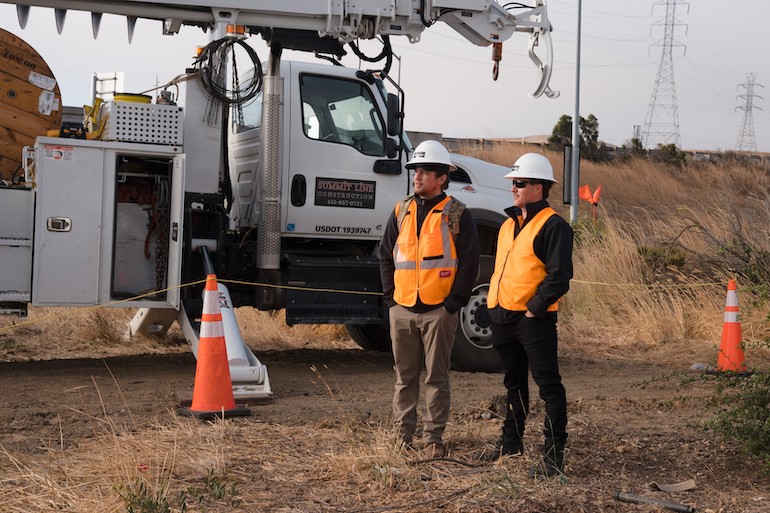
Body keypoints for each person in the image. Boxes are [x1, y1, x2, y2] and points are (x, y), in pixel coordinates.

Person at [379, 140, 479, 459]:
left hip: (439, 311)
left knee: (437, 377)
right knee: (404, 378)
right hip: (402, 309)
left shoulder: (456, 213)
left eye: (424, 171)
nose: (417, 176)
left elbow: (470, 263)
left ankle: (433, 439)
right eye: (415, 171)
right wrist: (391, 300)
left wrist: (452, 305)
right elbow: (385, 255)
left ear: (442, 178)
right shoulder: (401, 210)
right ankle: (402, 438)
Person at [485, 152, 573, 478]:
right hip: (502, 316)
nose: (513, 188)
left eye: (519, 183)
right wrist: (493, 307)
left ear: (538, 187)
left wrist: (534, 309)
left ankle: (553, 457)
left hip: (534, 321)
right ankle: (511, 445)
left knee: (549, 387)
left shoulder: (554, 225)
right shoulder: (508, 225)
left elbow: (560, 276)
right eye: (513, 183)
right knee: (513, 384)